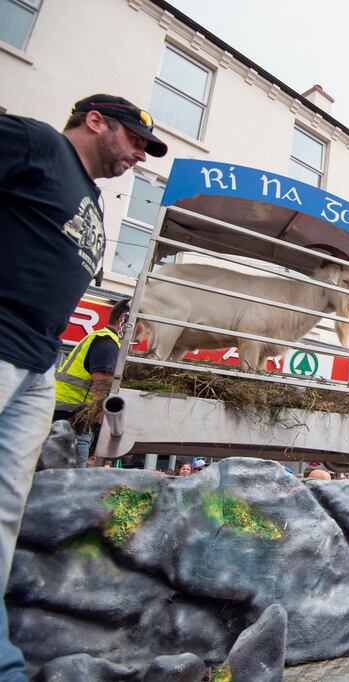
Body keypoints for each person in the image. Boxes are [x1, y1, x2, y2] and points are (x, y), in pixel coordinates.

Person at [0, 93, 167, 682]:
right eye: (133, 141)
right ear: (96, 121)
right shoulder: (35, 143)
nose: (138, 158)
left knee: (4, 510)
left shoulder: (93, 198)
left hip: (37, 359)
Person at [51, 298, 131, 467]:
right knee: (69, 479)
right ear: (124, 318)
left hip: (65, 418)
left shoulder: (101, 338)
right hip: (73, 421)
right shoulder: (107, 343)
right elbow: (101, 392)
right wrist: (104, 432)